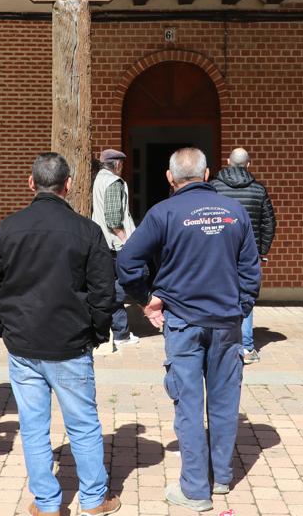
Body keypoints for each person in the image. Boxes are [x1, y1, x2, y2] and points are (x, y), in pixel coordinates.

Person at [117, 148, 261, 512]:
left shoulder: (163, 213)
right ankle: (223, 476)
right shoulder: (235, 212)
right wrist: (241, 309)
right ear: (208, 172)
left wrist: (146, 298)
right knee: (225, 402)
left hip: (183, 323)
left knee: (189, 405)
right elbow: (251, 271)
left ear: (170, 178)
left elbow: (127, 260)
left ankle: (196, 489)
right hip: (227, 322)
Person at [0, 153, 122, 516]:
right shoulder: (87, 231)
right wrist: (97, 332)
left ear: (31, 183)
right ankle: (92, 499)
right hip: (69, 343)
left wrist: (4, 326)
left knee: (33, 426)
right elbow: (104, 291)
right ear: (69, 186)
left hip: (24, 342)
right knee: (84, 425)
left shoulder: (9, 228)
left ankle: (47, 503)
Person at [210, 147, 276, 364]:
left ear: (228, 161)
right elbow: (269, 223)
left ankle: (219, 343)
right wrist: (261, 250)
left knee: (217, 294)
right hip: (249, 253)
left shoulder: (214, 188)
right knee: (245, 296)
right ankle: (246, 347)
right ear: (249, 164)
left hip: (219, 252)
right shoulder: (258, 190)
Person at [90, 148, 139, 350]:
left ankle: (120, 332)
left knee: (112, 285)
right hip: (114, 244)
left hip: (103, 242)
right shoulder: (113, 182)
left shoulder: (98, 179)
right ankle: (119, 331)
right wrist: (126, 240)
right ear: (117, 164)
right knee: (127, 282)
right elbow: (112, 217)